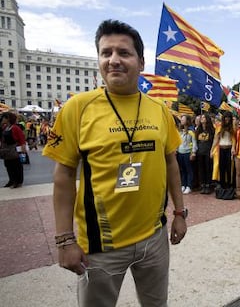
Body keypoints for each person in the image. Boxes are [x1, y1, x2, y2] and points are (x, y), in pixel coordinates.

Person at [42, 20, 187, 307]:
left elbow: (171, 162)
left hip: (154, 238)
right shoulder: (77, 107)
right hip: (100, 247)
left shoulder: (159, 109)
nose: (114, 60)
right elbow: (64, 176)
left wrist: (180, 212)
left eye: (124, 52)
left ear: (141, 62)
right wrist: (64, 240)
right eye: (106, 53)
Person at [1, 111, 27, 188]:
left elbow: (22, 139)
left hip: (14, 149)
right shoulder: (5, 127)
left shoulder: (15, 128)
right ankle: (11, 180)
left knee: (16, 166)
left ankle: (17, 181)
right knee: (8, 166)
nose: (3, 119)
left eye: (4, 118)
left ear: (8, 119)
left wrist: (23, 150)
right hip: (6, 149)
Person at [210, 111, 235, 190]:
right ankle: (222, 184)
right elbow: (216, 139)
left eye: (228, 117)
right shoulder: (219, 127)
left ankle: (229, 185)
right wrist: (212, 150)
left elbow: (234, 139)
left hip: (229, 148)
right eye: (226, 117)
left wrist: (233, 148)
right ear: (223, 118)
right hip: (221, 149)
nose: (227, 119)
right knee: (221, 167)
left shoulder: (233, 127)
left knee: (229, 167)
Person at [177, 114, 197, 194]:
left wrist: (193, 153)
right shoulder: (180, 132)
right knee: (182, 170)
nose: (181, 120)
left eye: (183, 119)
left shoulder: (191, 132)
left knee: (189, 170)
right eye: (181, 119)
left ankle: (189, 186)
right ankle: (183, 185)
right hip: (180, 152)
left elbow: (194, 143)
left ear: (187, 121)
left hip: (188, 152)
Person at [195, 113, 215, 194]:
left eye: (203, 117)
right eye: (201, 117)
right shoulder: (198, 130)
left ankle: (208, 185)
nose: (202, 118)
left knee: (208, 168)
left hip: (208, 151)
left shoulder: (211, 130)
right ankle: (202, 185)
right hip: (200, 152)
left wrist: (212, 151)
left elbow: (213, 141)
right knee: (201, 169)